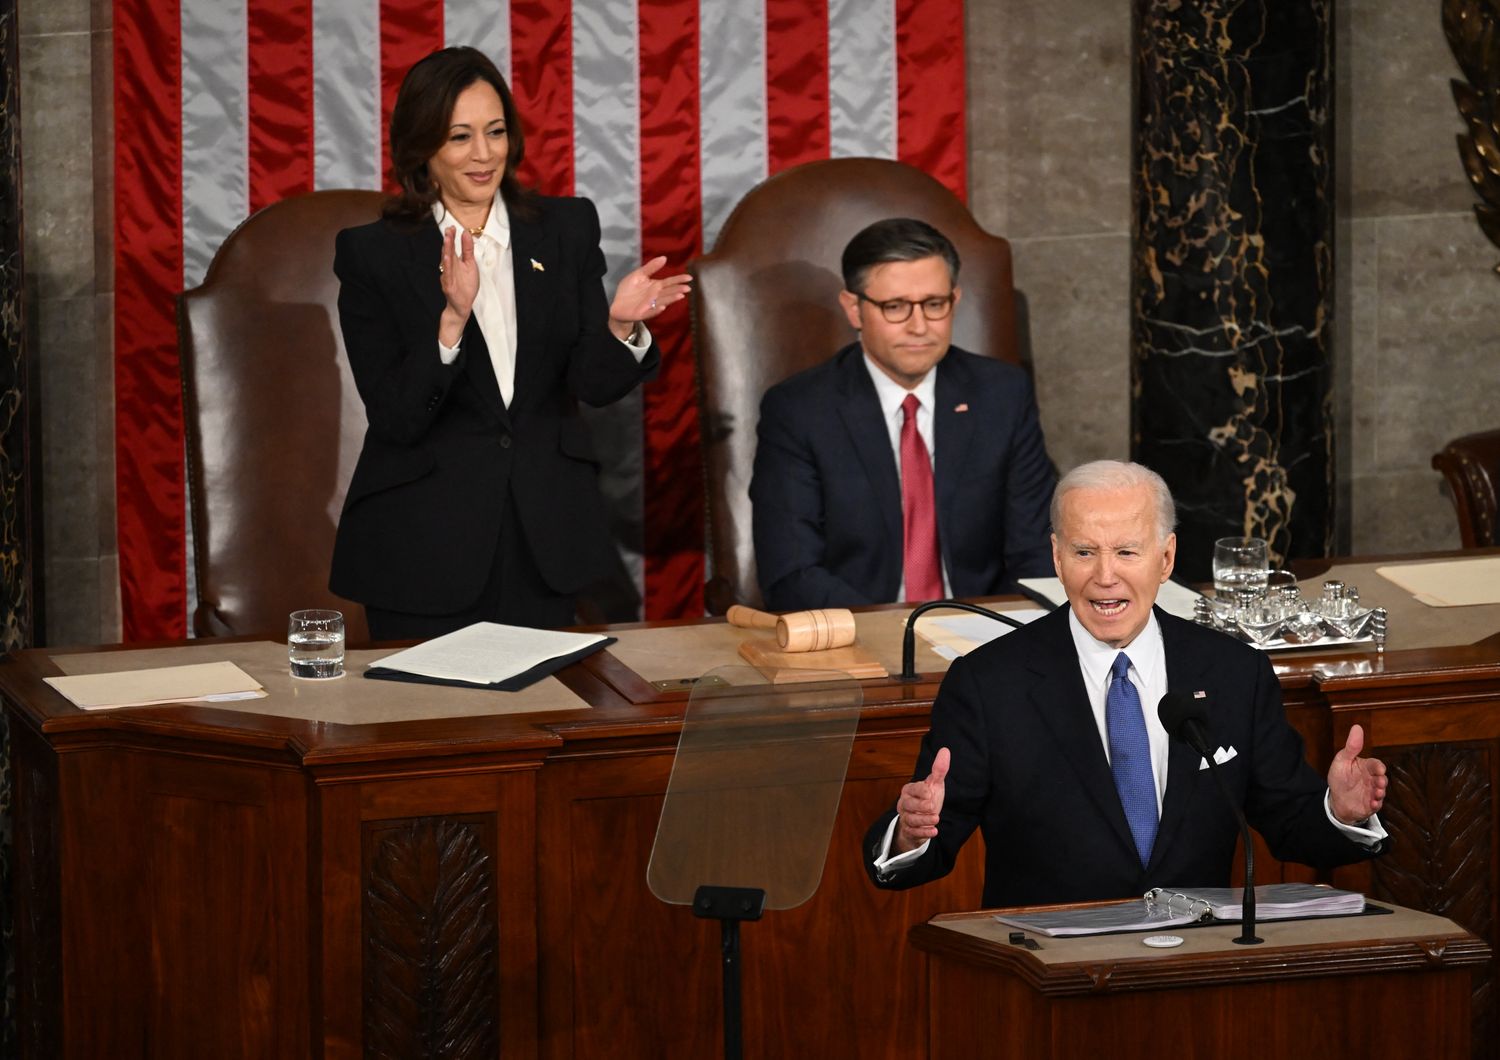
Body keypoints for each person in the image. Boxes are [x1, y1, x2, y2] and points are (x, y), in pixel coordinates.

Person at [863, 460, 1388, 908]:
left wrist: (1339, 812)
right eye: (1084, 552)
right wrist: (909, 831)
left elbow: (1289, 821)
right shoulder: (989, 683)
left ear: (1166, 559)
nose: (1105, 576)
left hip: (1195, 967)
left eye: (1127, 553)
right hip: (1051, 975)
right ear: (1056, 558)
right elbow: (926, 843)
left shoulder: (1232, 672)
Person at [329, 47, 689, 639]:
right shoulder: (373, 254)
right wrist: (452, 318)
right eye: (460, 137)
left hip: (542, 536)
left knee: (538, 718)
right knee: (429, 725)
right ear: (422, 148)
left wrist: (619, 327)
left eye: (495, 132)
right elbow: (395, 416)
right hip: (422, 543)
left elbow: (591, 387)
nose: (484, 154)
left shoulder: (565, 228)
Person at [749, 218, 1055, 612]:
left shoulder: (1002, 394)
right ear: (854, 309)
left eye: (934, 304)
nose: (919, 326)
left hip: (983, 634)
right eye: (895, 307)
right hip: (857, 637)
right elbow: (792, 573)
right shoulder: (800, 410)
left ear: (955, 300)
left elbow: (1035, 550)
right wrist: (895, 635)